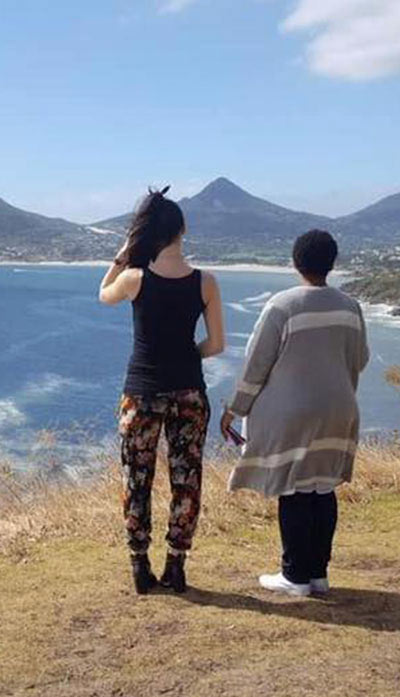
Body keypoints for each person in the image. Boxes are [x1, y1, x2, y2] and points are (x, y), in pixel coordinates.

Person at [220, 229, 368, 597]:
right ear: (332, 263)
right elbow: (359, 359)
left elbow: (256, 364)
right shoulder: (351, 307)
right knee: (323, 487)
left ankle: (294, 576)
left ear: (295, 262)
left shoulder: (282, 306)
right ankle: (318, 573)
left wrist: (234, 409)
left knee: (295, 488)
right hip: (340, 407)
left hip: (295, 412)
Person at [99, 187, 226, 594]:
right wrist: (188, 355)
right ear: (182, 229)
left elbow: (104, 294)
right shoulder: (206, 282)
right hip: (189, 392)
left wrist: (123, 252)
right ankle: (176, 565)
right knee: (186, 480)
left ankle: (139, 565)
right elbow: (217, 345)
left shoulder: (135, 279)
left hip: (141, 393)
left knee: (137, 478)